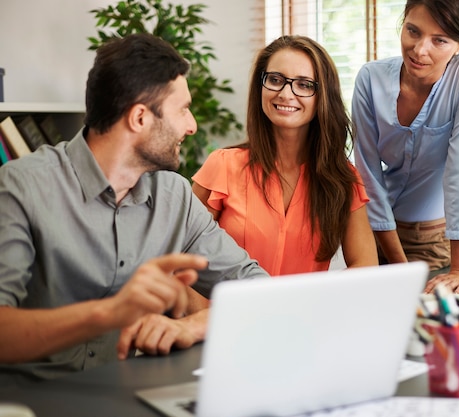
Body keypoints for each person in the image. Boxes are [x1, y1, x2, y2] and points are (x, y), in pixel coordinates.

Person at [0, 33, 268, 382]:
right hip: (27, 398)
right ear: (139, 118)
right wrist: (109, 313)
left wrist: (194, 325)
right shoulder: (22, 186)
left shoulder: (175, 196)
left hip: (122, 393)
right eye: (183, 110)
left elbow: (258, 289)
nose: (192, 126)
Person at [192, 35, 378, 276]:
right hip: (227, 311)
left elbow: (366, 268)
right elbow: (184, 257)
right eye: (275, 80)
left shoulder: (342, 178)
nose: (286, 93)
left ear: (323, 97)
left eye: (304, 84)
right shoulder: (223, 165)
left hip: (304, 311)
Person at [351, 0, 459, 294]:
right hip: (370, 234)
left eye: (439, 40)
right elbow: (367, 174)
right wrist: (399, 266)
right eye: (412, 31)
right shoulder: (370, 78)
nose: (419, 49)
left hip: (430, 242)